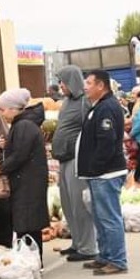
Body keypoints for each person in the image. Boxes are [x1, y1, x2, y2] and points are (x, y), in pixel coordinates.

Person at [77, 69, 129, 275]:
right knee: (100, 218)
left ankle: (117, 260)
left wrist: (95, 167)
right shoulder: (98, 106)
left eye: (88, 83)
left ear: (101, 85)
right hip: (97, 174)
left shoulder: (106, 107)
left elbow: (106, 143)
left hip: (106, 173)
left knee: (109, 218)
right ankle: (105, 255)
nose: (85, 87)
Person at [0, 89, 49, 259]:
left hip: (28, 183)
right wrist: (7, 146)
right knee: (28, 224)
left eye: (3, 109)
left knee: (28, 225)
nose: (2, 113)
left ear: (13, 108)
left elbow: (20, 155)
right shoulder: (24, 123)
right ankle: (32, 260)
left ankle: (33, 261)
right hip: (27, 180)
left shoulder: (24, 125)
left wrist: (1, 168)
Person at [51, 65, 96, 262]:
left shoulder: (85, 102)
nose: (60, 85)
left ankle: (88, 248)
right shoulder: (66, 102)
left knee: (79, 205)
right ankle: (77, 243)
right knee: (68, 204)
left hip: (77, 159)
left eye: (63, 81)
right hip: (64, 157)